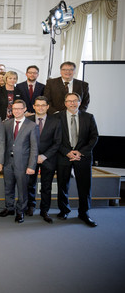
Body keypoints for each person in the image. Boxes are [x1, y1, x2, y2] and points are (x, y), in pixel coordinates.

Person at [56, 93, 99, 227]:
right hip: (64, 156)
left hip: (83, 157)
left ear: (80, 102)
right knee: (63, 185)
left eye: (75, 101)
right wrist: (67, 152)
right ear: (65, 103)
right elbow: (55, 138)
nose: (72, 103)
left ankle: (84, 213)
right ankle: (64, 210)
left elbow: (94, 137)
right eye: (69, 101)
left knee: (85, 187)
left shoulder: (89, 117)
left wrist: (81, 152)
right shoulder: (57, 117)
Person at [0, 100, 38, 224]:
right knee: (8, 187)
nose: (17, 111)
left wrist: (31, 166)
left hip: (23, 164)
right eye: (14, 109)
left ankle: (20, 211)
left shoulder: (32, 126)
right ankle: (9, 208)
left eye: (20, 109)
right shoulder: (6, 124)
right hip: (8, 162)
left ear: (25, 109)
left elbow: (34, 148)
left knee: (22, 189)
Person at [26, 96, 62, 223]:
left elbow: (57, 142)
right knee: (30, 184)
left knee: (46, 186)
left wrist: (44, 156)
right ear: (34, 107)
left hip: (49, 158)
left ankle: (44, 210)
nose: (40, 107)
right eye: (38, 105)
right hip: (31, 158)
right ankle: (30, 206)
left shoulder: (56, 121)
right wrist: (34, 156)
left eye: (43, 105)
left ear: (47, 107)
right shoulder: (27, 120)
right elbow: (24, 141)